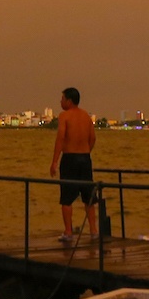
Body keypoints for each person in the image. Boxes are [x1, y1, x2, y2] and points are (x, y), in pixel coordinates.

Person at [49, 87, 98, 245]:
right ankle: (93, 230)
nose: (60, 102)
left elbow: (61, 138)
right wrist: (86, 151)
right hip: (85, 158)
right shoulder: (86, 116)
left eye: (62, 99)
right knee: (88, 196)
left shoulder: (64, 116)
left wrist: (54, 161)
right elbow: (93, 138)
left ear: (69, 101)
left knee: (66, 197)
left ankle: (69, 231)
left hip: (70, 158)